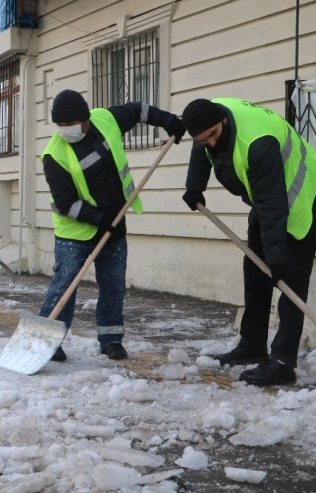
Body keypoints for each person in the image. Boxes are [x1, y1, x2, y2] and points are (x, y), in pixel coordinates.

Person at [180, 98, 316, 386]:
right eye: (201, 139)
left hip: (297, 195)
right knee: (255, 271)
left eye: (213, 136)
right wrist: (194, 186)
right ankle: (252, 347)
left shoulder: (257, 143)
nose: (208, 143)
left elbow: (274, 205)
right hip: (267, 196)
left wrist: (278, 258)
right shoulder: (209, 121)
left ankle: (283, 362)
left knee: (290, 281)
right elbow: (202, 150)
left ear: (222, 121)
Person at [41, 89, 186, 361]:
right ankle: (48, 342)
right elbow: (65, 203)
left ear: (85, 119)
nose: (65, 130)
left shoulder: (106, 119)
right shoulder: (54, 155)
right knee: (65, 285)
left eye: (70, 124)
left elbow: (137, 110)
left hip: (115, 224)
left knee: (113, 285)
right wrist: (99, 219)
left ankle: (110, 340)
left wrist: (168, 121)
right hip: (75, 233)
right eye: (60, 125)